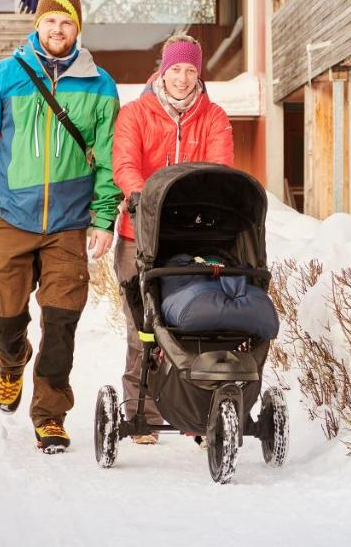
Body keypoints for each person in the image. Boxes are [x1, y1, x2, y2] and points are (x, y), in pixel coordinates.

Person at [0, 0, 120, 454]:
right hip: (11, 218)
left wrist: (103, 216)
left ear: (77, 30)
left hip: (69, 223)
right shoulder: (5, 77)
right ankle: (12, 363)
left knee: (62, 324)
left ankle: (50, 415)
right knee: (2, 313)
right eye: (50, 21)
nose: (57, 29)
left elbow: (108, 159)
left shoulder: (100, 85)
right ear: (38, 25)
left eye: (66, 22)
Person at [112, 34, 234, 444]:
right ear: (163, 70)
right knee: (143, 329)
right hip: (139, 235)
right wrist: (142, 199)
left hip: (194, 238)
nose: (183, 78)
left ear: (199, 74)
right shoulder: (135, 114)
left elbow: (219, 171)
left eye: (191, 70)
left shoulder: (213, 117)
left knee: (193, 322)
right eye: (176, 69)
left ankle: (192, 408)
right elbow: (125, 163)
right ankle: (142, 414)